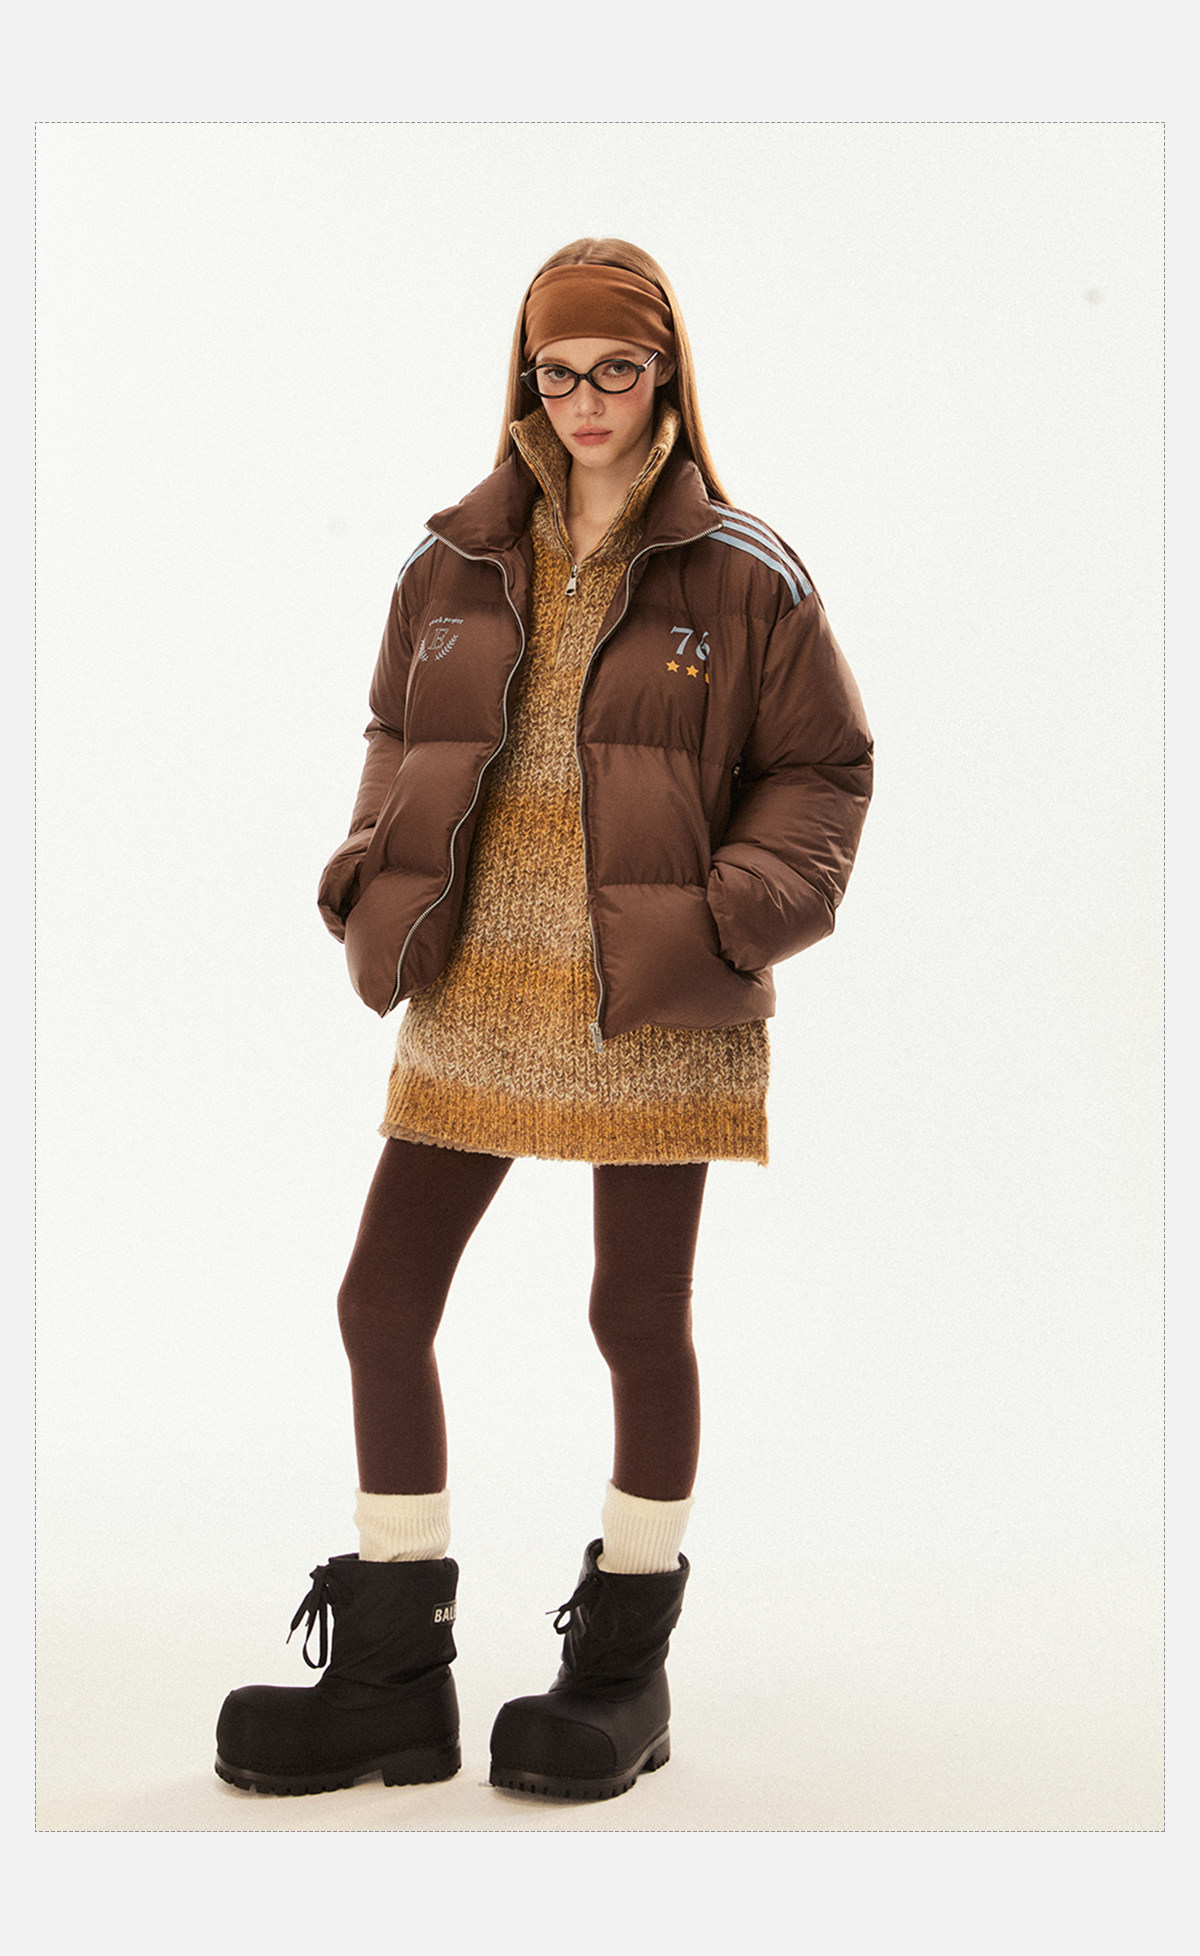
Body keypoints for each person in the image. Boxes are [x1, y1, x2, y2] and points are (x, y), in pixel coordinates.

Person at [215, 238, 874, 1804]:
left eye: (616, 370)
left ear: (667, 373)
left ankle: (623, 1670)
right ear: (527, 377)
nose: (585, 401)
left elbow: (826, 767)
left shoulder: (747, 571)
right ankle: (393, 1675)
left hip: (655, 1005)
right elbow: (398, 729)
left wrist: (730, 912)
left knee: (634, 1318)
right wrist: (369, 867)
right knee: (382, 1300)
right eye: (558, 372)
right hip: (473, 995)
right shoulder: (450, 561)